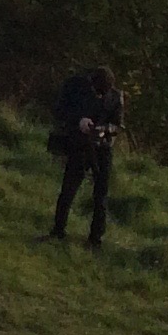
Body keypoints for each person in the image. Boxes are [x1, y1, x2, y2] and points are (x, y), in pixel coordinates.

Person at [47, 64, 126, 244]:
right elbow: (60, 110)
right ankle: (58, 230)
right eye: (97, 91)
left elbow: (118, 125)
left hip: (103, 150)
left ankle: (95, 239)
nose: (99, 95)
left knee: (101, 195)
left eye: (103, 92)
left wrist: (103, 130)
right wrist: (79, 121)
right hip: (80, 146)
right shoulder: (77, 89)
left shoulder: (116, 98)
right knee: (68, 190)